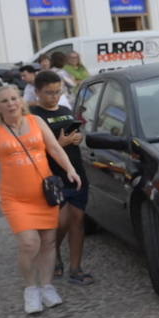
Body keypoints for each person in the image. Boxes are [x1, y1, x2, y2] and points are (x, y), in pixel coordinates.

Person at [0, 84, 82, 315]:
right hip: (15, 197)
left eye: (14, 98)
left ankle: (46, 286)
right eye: (4, 101)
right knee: (29, 243)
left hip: (44, 193)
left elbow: (54, 148)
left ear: (21, 101)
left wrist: (70, 169)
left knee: (48, 242)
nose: (11, 103)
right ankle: (30, 289)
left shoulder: (36, 121)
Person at [28, 72, 93, 286]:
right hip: (51, 177)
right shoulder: (32, 116)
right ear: (37, 92)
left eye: (58, 92)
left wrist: (77, 138)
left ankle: (76, 267)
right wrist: (60, 144)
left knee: (78, 220)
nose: (54, 97)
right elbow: (31, 151)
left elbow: (73, 134)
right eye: (48, 93)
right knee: (61, 221)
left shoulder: (65, 111)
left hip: (76, 173)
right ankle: (52, 253)